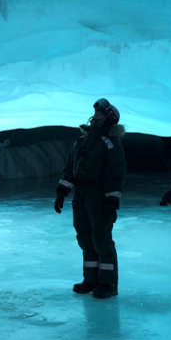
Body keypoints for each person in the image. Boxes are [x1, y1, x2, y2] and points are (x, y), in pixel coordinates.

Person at [53, 98, 126, 299]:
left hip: (99, 197)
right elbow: (69, 169)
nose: (95, 117)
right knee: (85, 239)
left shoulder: (110, 143)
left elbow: (115, 173)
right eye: (95, 113)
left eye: (101, 114)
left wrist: (111, 201)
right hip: (81, 197)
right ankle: (91, 280)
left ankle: (108, 283)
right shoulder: (82, 141)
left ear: (109, 119)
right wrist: (62, 192)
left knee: (101, 240)